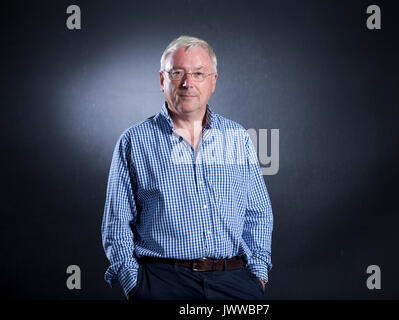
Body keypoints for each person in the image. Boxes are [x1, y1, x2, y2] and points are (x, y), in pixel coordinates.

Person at [101, 35, 273, 300]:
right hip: (162, 284)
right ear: (162, 80)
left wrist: (258, 275)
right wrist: (134, 284)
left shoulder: (237, 137)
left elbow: (258, 212)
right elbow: (116, 223)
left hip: (234, 283)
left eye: (198, 73)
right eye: (177, 72)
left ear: (213, 81)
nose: (187, 82)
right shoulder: (134, 141)